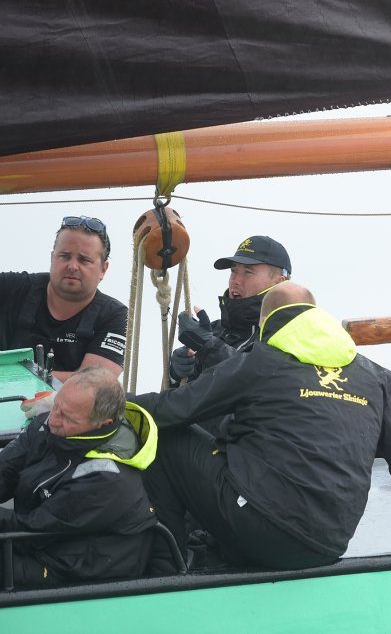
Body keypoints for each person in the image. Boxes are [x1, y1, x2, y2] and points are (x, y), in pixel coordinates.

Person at [134, 282, 391, 569]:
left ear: (267, 324)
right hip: (330, 543)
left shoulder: (260, 360)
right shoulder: (375, 376)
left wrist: (95, 400)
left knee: (162, 433)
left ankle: (168, 569)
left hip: (263, 532)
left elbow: (173, 410)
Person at [0, 367, 157, 588]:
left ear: (104, 423)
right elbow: (5, 469)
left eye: (67, 417)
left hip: (75, 567)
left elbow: (31, 532)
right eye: (56, 406)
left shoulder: (107, 480)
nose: (53, 419)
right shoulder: (50, 424)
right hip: (41, 538)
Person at [0, 215, 128, 381]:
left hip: (63, 406)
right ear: (52, 258)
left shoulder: (115, 316)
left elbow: (94, 383)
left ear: (103, 269)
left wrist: (16, 378)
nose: (73, 266)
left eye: (84, 260)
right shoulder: (14, 287)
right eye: (65, 256)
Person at [169, 235, 291, 384]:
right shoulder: (213, 331)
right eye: (233, 271)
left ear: (279, 282)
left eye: (248, 272)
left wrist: (209, 347)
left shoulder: (288, 335)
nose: (235, 280)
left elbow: (261, 381)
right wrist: (176, 374)